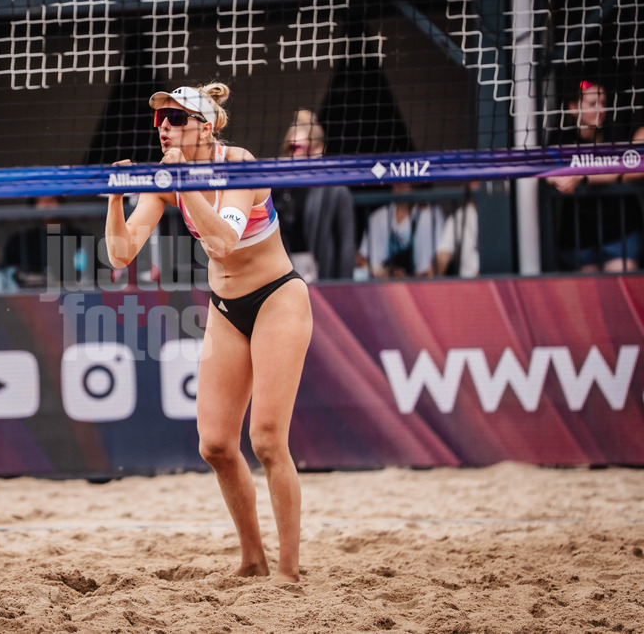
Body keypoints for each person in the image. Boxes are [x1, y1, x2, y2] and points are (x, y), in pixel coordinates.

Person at [105, 83, 313, 583]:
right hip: (226, 307)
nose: (163, 128)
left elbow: (222, 240)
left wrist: (181, 180)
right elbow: (120, 253)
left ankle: (287, 570)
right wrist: (115, 199)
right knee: (216, 445)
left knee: (266, 440)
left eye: (175, 119)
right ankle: (252, 559)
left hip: (278, 298)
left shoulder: (241, 163)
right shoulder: (166, 177)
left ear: (206, 125)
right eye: (160, 120)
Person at [547, 79, 644, 272]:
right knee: (589, 295)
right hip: (578, 236)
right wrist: (559, 177)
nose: (600, 109)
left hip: (620, 232)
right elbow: (547, 171)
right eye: (592, 104)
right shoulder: (562, 138)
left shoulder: (616, 133)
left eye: (603, 104)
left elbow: (632, 167)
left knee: (620, 289)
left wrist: (581, 176)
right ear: (574, 108)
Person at [273, 109, 355, 280]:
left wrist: (345, 285)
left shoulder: (335, 189)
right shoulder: (278, 187)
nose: (294, 153)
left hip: (322, 271)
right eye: (291, 147)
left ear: (318, 148)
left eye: (300, 148)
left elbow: (346, 243)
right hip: (285, 269)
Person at [355, 183, 444, 278]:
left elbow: (436, 267)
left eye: (407, 179)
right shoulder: (377, 217)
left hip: (420, 287)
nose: (400, 183)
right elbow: (362, 262)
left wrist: (405, 277)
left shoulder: (432, 215)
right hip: (379, 287)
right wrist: (387, 274)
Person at [434, 184, 480, 277]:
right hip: (470, 285)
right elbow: (442, 259)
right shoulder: (457, 218)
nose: (478, 184)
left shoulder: (500, 213)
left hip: (496, 282)